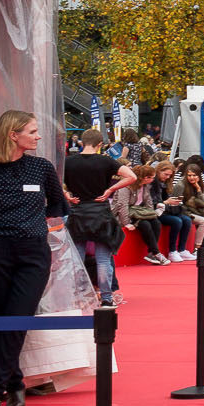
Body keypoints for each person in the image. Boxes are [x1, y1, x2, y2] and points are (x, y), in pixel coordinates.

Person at [0, 111, 68, 406]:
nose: (37, 136)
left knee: (18, 318)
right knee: (1, 319)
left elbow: (59, 206)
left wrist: (33, 220)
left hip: (33, 253)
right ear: (13, 135)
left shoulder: (41, 168)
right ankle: (16, 384)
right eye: (32, 131)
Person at [61, 128, 135, 306]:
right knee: (103, 259)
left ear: (81, 142)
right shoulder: (106, 161)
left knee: (77, 260)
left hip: (78, 212)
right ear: (100, 144)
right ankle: (107, 298)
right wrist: (110, 189)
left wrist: (67, 194)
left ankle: (78, 298)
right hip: (100, 213)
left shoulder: (68, 162)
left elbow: (53, 180)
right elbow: (131, 176)